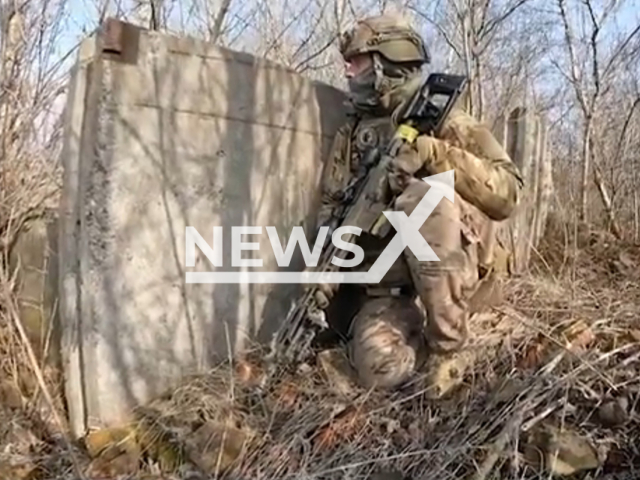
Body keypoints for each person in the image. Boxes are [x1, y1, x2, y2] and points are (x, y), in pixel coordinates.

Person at [314, 13, 523, 398]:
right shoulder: (353, 130)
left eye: (356, 60)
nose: (347, 70)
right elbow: (333, 205)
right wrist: (321, 274)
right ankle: (415, 330)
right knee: (381, 371)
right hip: (391, 288)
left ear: (385, 62)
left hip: (454, 271)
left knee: (421, 201)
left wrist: (432, 154)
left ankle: (448, 349)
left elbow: (508, 192)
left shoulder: (443, 119)